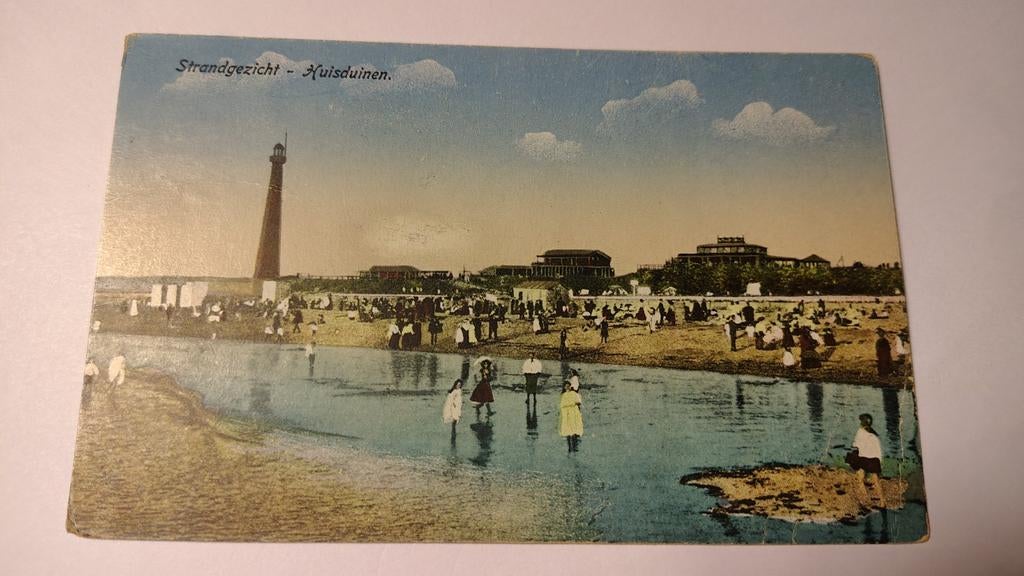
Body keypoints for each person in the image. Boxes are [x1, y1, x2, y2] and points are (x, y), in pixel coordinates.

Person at [846, 413, 887, 507]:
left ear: (862, 423)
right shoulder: (874, 435)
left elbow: (855, 445)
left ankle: (866, 499)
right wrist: (880, 462)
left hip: (864, 459)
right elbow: (879, 451)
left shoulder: (860, 432)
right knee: (876, 481)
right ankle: (882, 502)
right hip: (874, 460)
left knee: (860, 478)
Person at [559, 380, 583, 453]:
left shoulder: (573, 393)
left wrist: (575, 407)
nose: (567, 387)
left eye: (568, 386)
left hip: (573, 412)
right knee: (567, 429)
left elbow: (579, 402)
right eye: (566, 386)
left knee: (573, 427)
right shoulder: (563, 395)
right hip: (566, 413)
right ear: (564, 387)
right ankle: (570, 446)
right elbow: (561, 405)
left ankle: (574, 445)